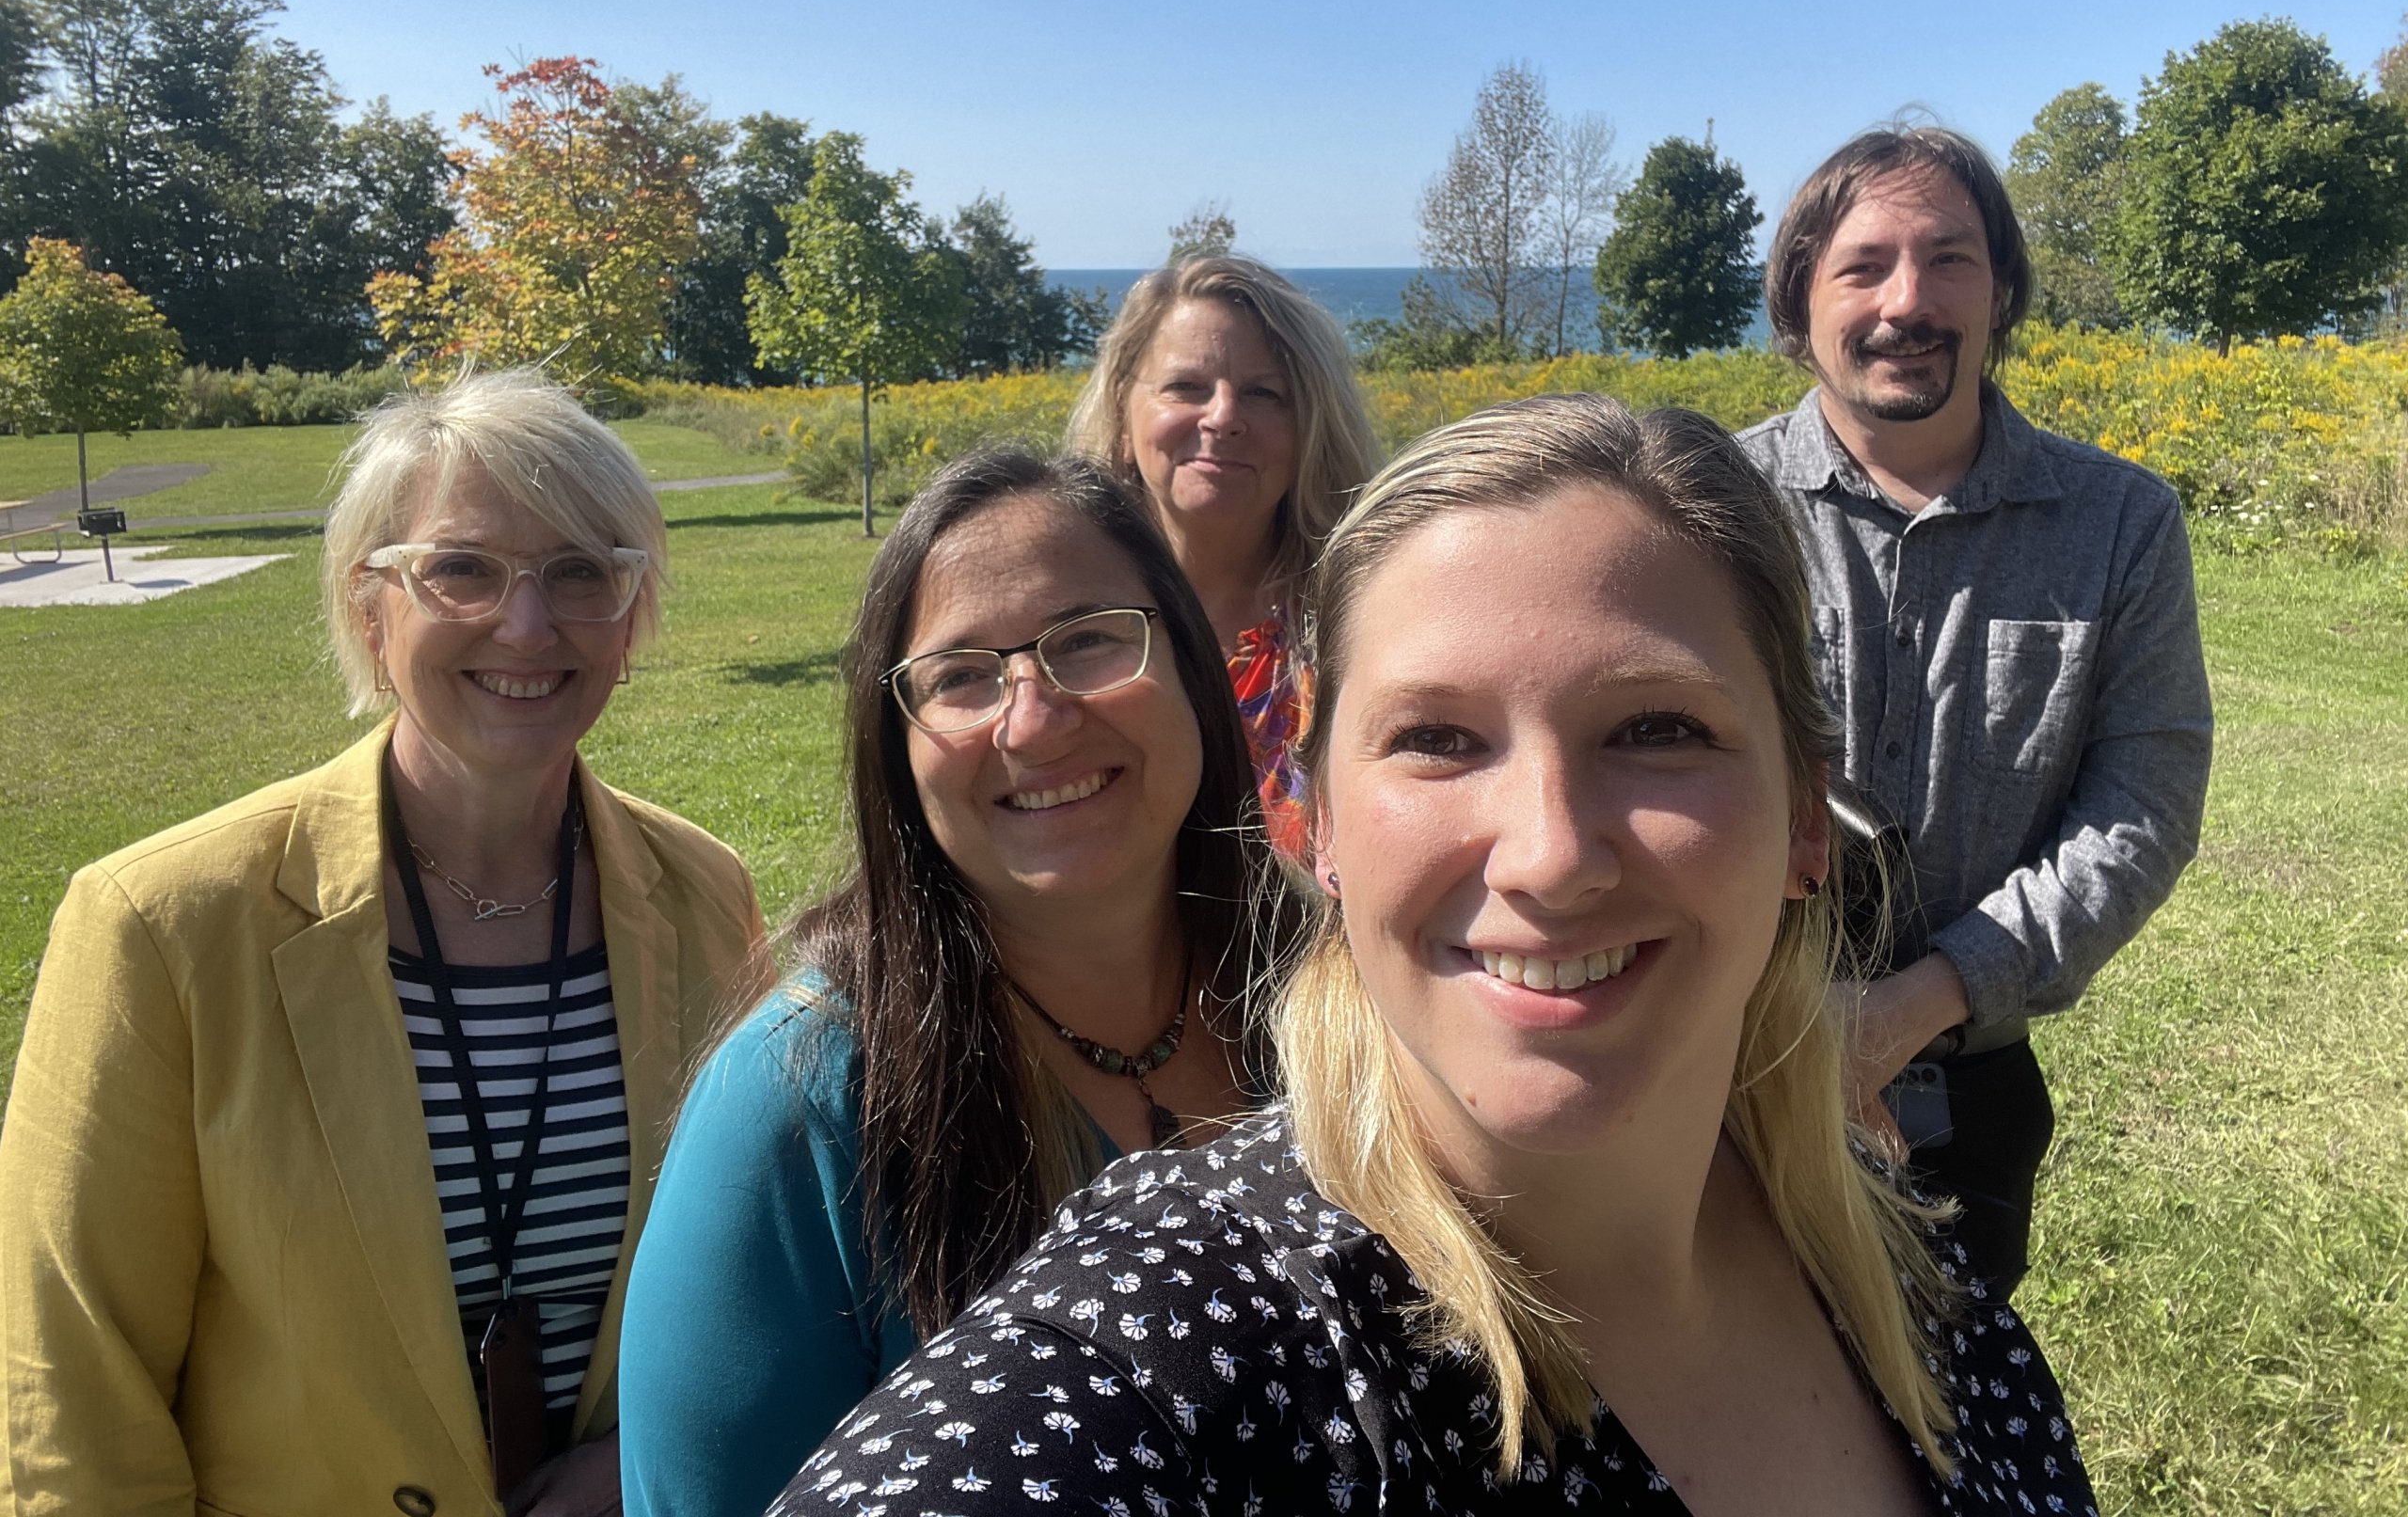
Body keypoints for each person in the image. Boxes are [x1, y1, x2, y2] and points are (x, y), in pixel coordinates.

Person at [772, 393, 2099, 1516]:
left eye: (1656, 731)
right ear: (1318, 825)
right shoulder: (1176, 1345)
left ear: (1806, 817)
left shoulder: (1912, 1281)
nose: (1548, 854)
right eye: (1437, 740)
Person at [0, 368, 768, 1516]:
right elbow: (70, 1386)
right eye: (461, 568)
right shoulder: (164, 924)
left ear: (632, 610)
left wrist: (639, 1459)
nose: (527, 623)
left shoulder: (703, 894)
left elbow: (747, 1285)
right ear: (369, 606)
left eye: (580, 573)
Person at [617, 450, 1296, 1517]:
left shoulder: (1343, 999)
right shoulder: (797, 1105)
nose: (1031, 720)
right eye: (960, 677)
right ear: (896, 750)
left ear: (1190, 671)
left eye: (1087, 640)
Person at [1740, 124, 2213, 1298]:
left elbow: (2140, 810)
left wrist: (1914, 1004)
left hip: (1966, 1090)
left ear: (2001, 291)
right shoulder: (1703, 505)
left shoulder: (2120, 525)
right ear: (1799, 301)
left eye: (1950, 259)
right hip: (1716, 1066)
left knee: (1946, 1432)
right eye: (1862, 265)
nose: (1910, 299)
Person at [1066, 255, 1381, 855]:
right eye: (1186, 387)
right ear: (1122, 412)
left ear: (1311, 426)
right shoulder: (1061, 623)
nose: (1224, 416)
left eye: (1264, 393)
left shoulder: (1364, 622)